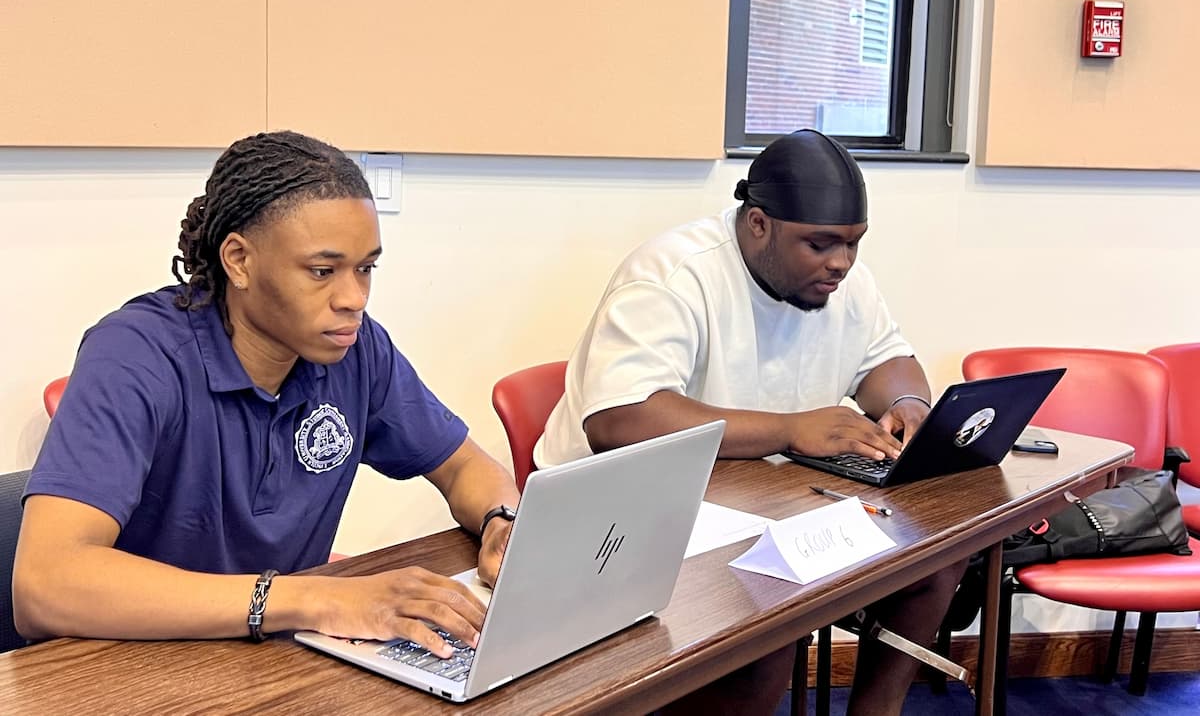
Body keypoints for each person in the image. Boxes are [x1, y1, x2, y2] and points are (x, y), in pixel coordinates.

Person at [14, 131, 520, 659]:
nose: (354, 299)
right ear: (239, 260)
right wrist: (312, 598)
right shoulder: (134, 355)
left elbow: (464, 465)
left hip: (271, 658)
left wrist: (500, 523)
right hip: (125, 666)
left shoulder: (356, 349)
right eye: (322, 271)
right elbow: (45, 583)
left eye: (366, 268)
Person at [534, 129, 964, 716]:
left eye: (853, 245)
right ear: (758, 224)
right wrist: (790, 428)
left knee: (934, 555)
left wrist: (911, 403)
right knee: (769, 615)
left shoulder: (843, 281)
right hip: (621, 515)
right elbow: (620, 419)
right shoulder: (673, 273)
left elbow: (889, 362)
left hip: (762, 505)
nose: (840, 263)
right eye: (820, 245)